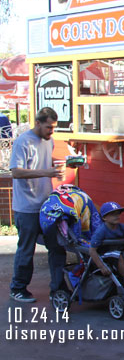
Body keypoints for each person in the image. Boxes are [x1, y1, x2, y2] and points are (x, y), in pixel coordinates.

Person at [8, 107, 64, 303]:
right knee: (27, 248)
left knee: (57, 246)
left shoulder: (49, 141)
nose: (51, 131)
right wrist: (46, 172)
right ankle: (18, 288)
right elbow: (16, 172)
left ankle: (58, 288)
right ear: (38, 123)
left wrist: (62, 163)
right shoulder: (23, 141)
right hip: (26, 206)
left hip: (46, 204)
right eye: (49, 127)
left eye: (54, 127)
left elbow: (45, 161)